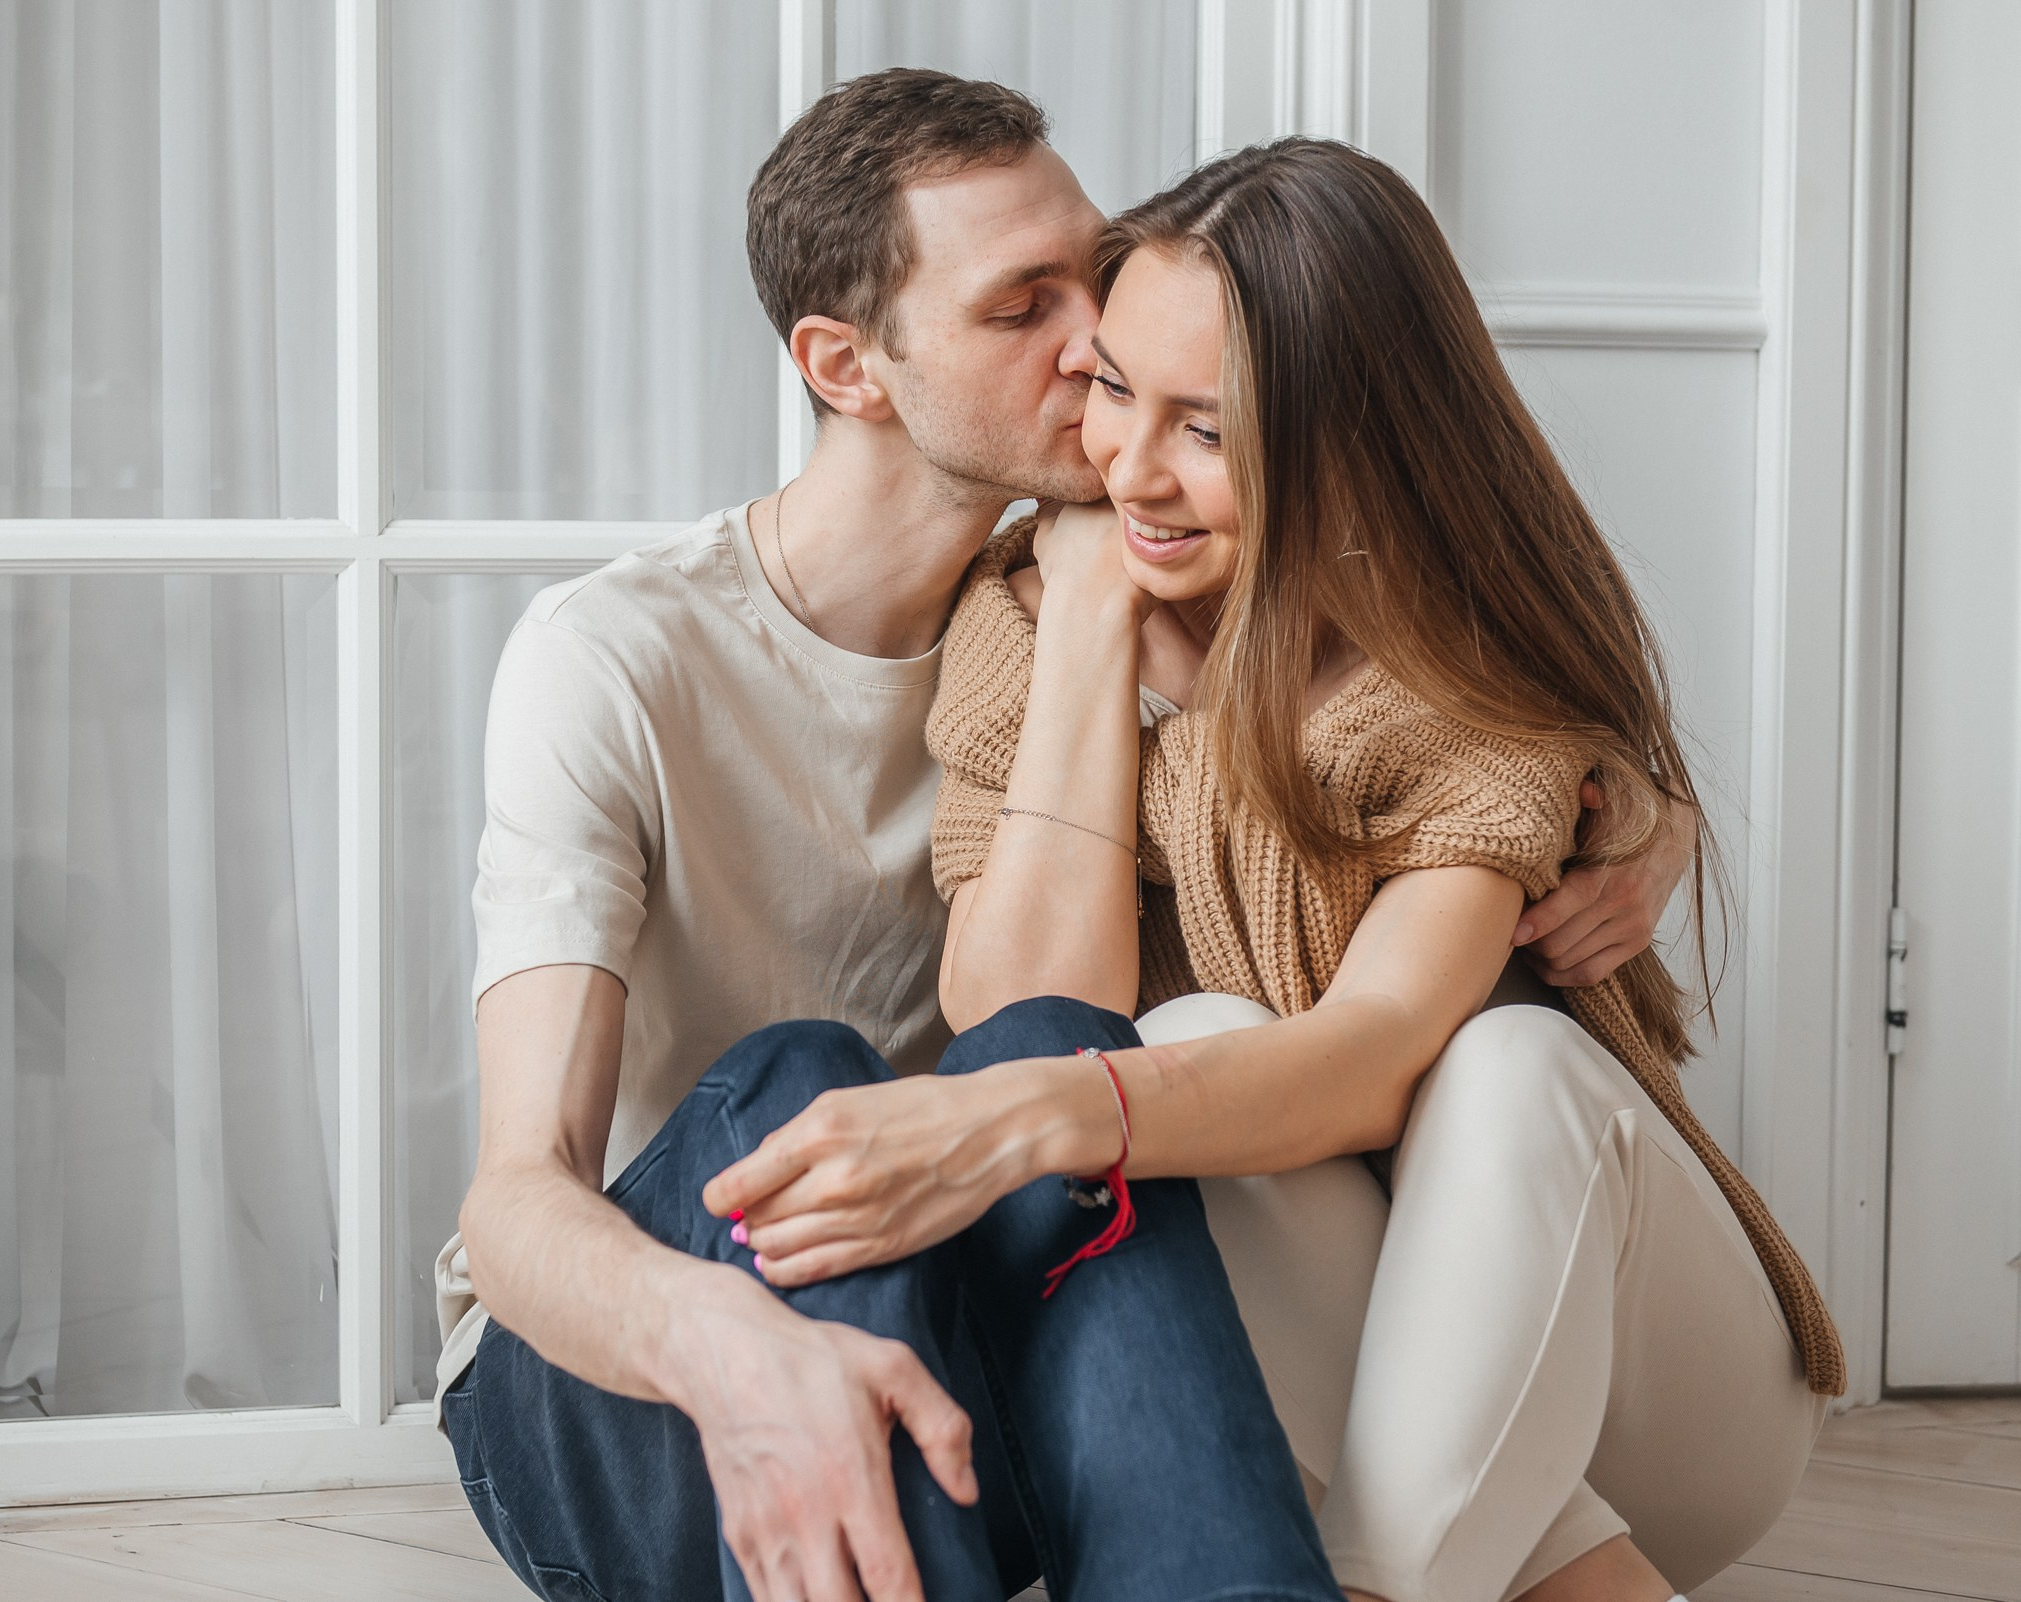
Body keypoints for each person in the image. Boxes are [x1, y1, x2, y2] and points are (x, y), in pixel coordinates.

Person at [441, 72, 1685, 1602]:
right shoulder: (617, 661)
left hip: (965, 1289)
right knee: (805, 1077)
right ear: (848, 365)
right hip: (653, 1358)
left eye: (1090, 274)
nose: (1097, 341)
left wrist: (1627, 801)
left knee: (1098, 1095)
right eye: (1020, 306)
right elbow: (515, 1202)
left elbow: (1407, 737)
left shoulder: (1120, 599)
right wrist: (734, 1349)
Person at [743, 137, 1834, 1602]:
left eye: (1206, 428)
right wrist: (1085, 627)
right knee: (1187, 1047)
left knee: (1507, 1066)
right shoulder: (1024, 615)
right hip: (1375, 1400)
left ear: (1350, 434)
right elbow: (1029, 1011)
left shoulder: (1454, 673)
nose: (1129, 466)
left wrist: (1012, 1119)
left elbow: (1381, 1046)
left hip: (1651, 1389)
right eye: (1116, 389)